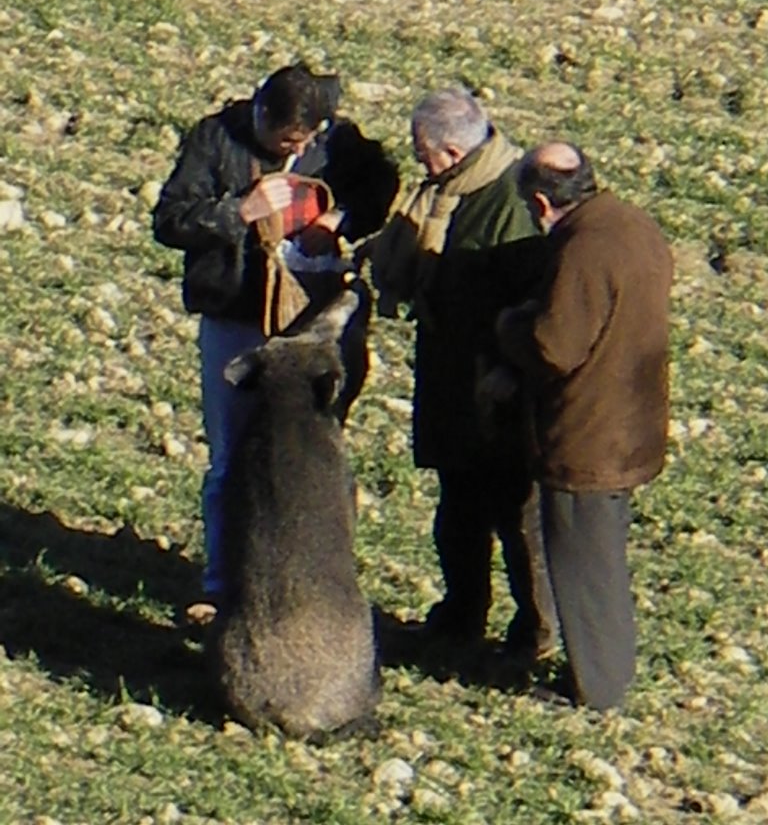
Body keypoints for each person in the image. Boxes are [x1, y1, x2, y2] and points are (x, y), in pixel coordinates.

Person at [152, 62, 398, 622]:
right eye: (288, 139)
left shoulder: (340, 143)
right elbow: (169, 219)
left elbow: (382, 185)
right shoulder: (214, 140)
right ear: (261, 112)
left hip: (313, 316)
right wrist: (239, 213)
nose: (298, 146)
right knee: (229, 457)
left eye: (306, 139)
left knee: (317, 453)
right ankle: (222, 584)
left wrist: (338, 219)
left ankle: (324, 581)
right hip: (235, 315)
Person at [370, 87, 558, 660]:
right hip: (452, 375)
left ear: (449, 152)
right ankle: (460, 615)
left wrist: (507, 370)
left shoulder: (513, 202)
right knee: (459, 507)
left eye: (420, 151)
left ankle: (537, 631)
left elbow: (532, 298)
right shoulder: (449, 193)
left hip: (493, 386)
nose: (416, 161)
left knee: (515, 513)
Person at [493, 141, 673, 709]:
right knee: (603, 558)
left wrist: (509, 326)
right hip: (632, 420)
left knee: (583, 567)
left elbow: (555, 346)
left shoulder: (583, 251)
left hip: (588, 435)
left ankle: (598, 688)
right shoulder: (633, 225)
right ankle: (606, 674)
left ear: (543, 204)